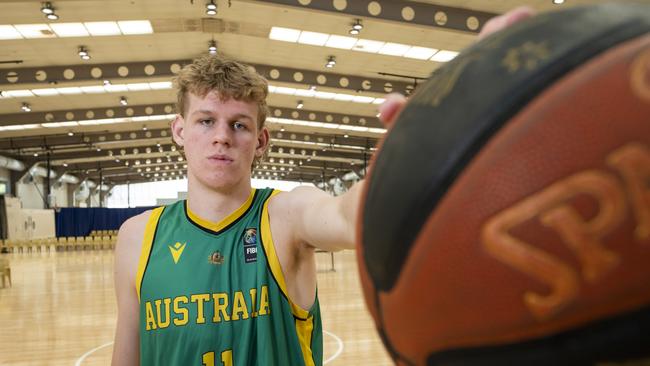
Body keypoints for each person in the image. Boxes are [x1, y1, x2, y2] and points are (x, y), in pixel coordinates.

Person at [111, 7, 535, 366]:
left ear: (261, 141)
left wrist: (425, 153)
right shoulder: (137, 238)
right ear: (179, 131)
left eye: (239, 125)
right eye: (206, 121)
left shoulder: (286, 216)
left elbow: (349, 214)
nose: (222, 136)